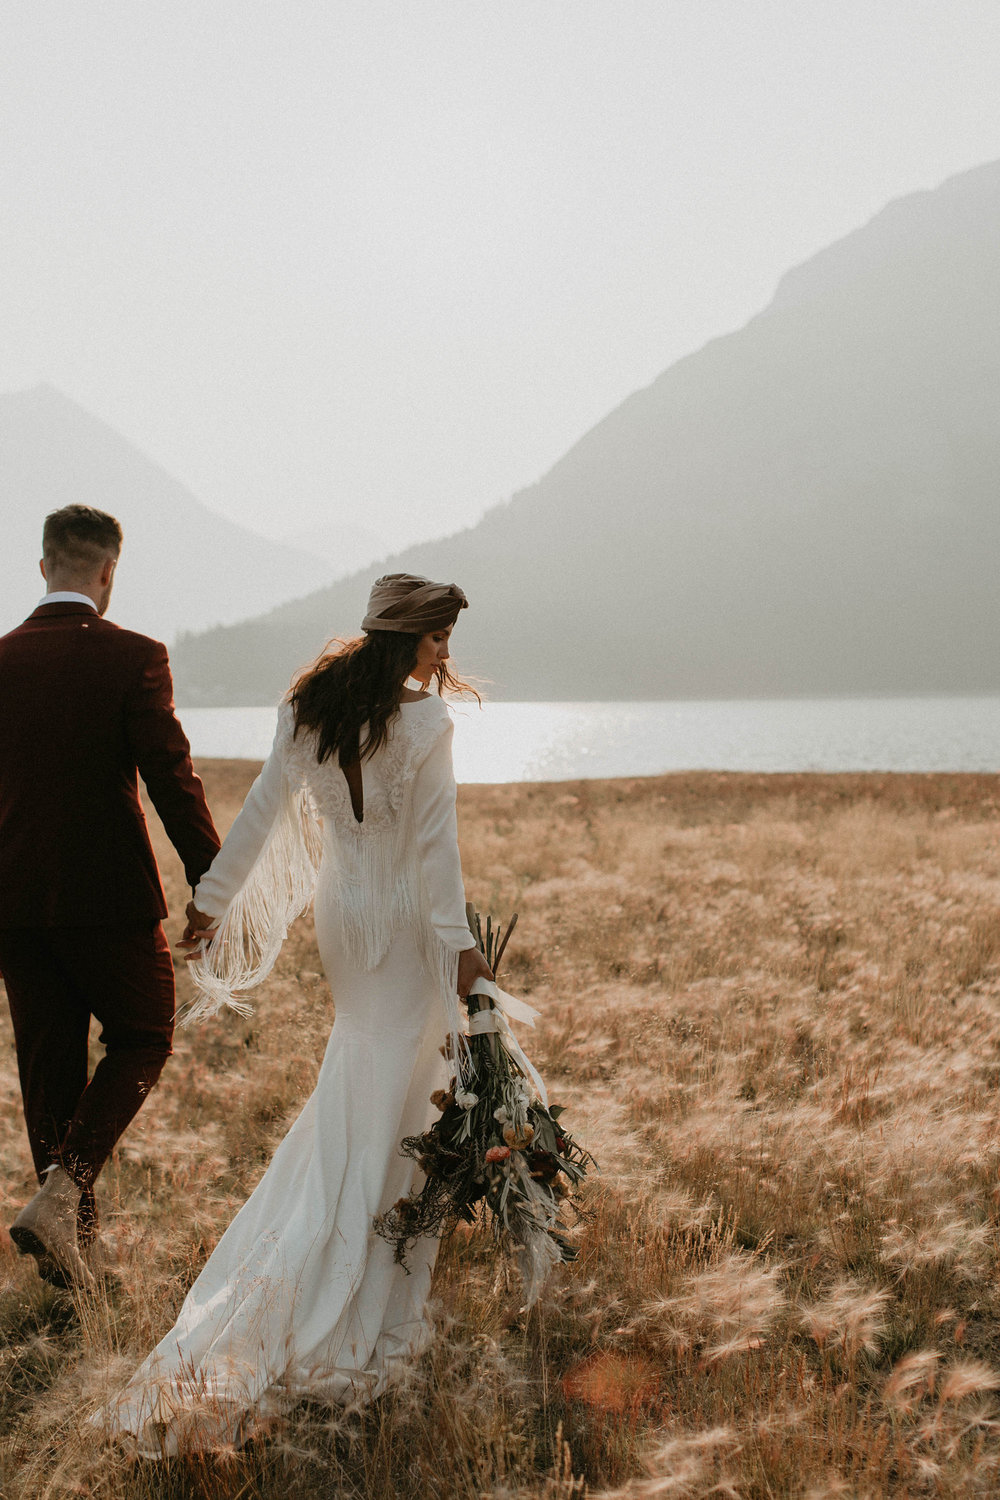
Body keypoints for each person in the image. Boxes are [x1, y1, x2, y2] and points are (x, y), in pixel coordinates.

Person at [98, 572, 492, 1455]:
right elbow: (436, 851)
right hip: (400, 932)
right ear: (403, 636)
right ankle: (351, 1273)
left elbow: (258, 818)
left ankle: (343, 1241)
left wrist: (212, 901)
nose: (445, 653)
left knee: (367, 1082)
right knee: (396, 1095)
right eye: (436, 637)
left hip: (343, 923)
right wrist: (459, 949)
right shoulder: (427, 724)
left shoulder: (303, 710)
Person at [0, 505, 221, 1288]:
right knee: (146, 1032)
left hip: (15, 905)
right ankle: (64, 1200)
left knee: (49, 1070)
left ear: (42, 568)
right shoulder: (135, 655)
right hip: (110, 897)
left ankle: (75, 1263)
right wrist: (212, 880)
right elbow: (170, 773)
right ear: (107, 573)